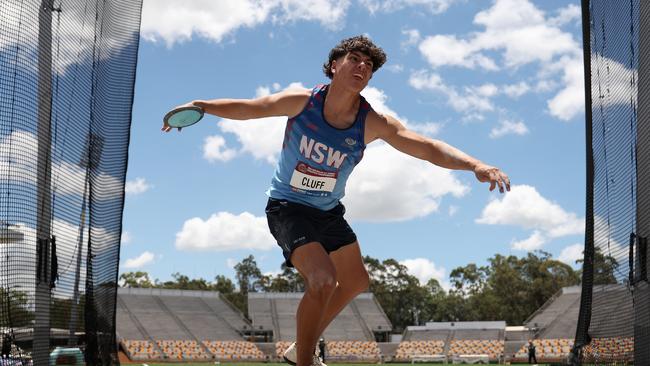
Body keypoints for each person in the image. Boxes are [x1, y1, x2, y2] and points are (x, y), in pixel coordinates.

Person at [163, 35, 510, 366]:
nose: (362, 67)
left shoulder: (372, 122)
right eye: (354, 59)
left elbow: (426, 146)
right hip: (288, 207)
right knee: (323, 280)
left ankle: (301, 346)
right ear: (332, 66)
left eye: (369, 65)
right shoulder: (302, 102)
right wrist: (202, 107)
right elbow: (253, 108)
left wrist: (475, 165)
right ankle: (304, 360)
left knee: (357, 281)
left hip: (328, 211)